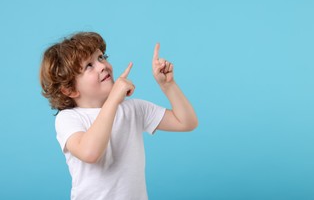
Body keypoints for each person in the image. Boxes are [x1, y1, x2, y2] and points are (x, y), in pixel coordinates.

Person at [39, 32, 198, 200]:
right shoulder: (68, 119)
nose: (102, 66)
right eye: (89, 66)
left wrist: (168, 85)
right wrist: (113, 99)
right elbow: (89, 153)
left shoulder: (133, 109)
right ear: (70, 90)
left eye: (101, 57)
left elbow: (187, 122)